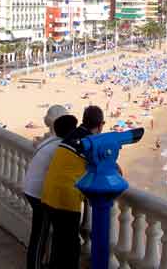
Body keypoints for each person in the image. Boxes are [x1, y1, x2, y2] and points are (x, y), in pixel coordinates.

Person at [42, 106, 118, 269]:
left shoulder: (71, 135)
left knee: (59, 243)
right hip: (66, 198)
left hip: (48, 193)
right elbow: (114, 170)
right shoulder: (92, 142)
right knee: (70, 247)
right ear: (101, 124)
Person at [24, 114, 78, 269]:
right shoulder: (62, 147)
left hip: (31, 188)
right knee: (40, 235)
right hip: (39, 194)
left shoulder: (51, 140)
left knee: (43, 232)